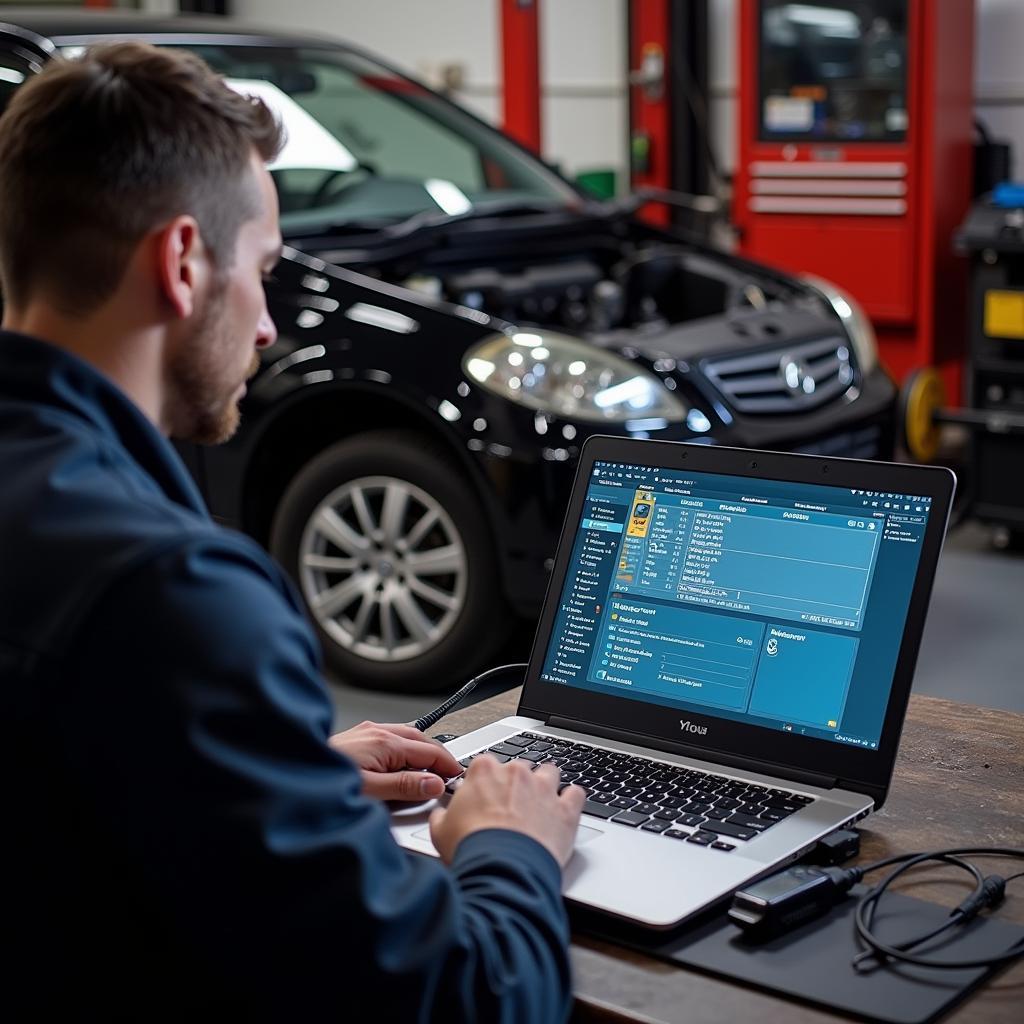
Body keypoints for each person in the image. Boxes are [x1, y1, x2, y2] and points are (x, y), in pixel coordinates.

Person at [0, 42, 584, 1021]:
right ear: (182, 262)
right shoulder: (175, 591)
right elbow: (464, 1001)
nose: (268, 325)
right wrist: (510, 844)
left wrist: (285, 768)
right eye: (264, 271)